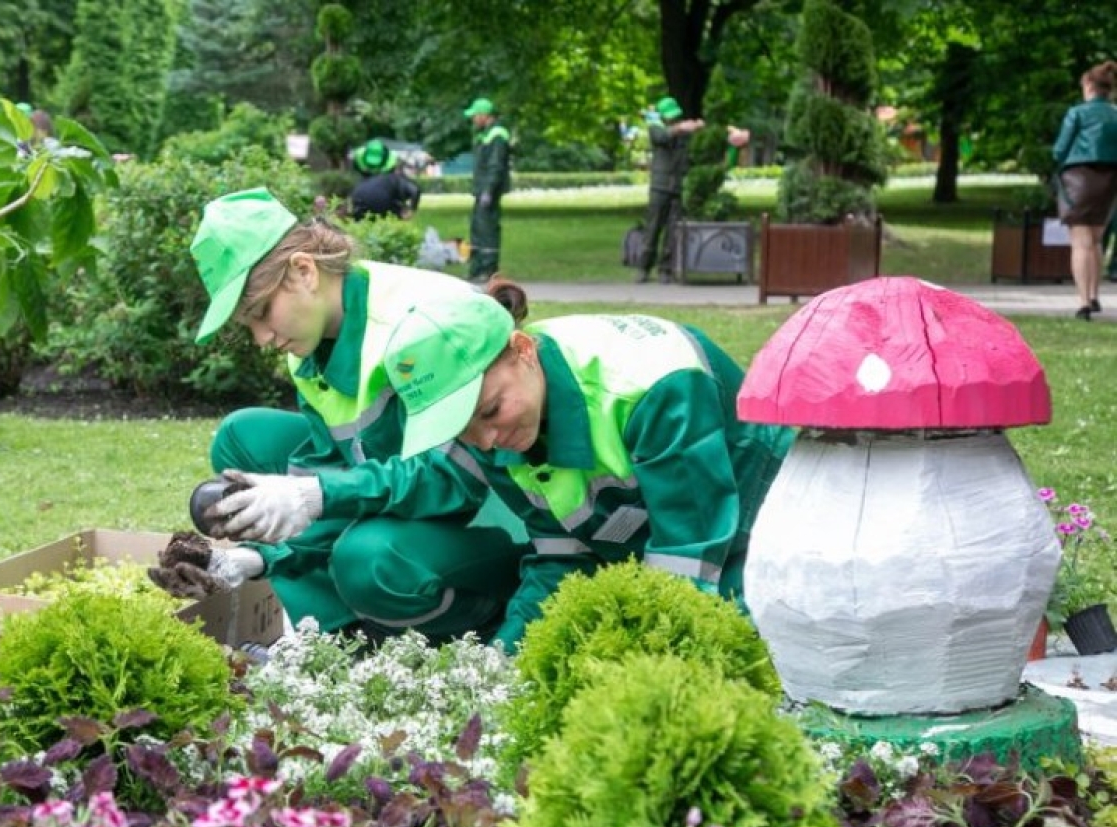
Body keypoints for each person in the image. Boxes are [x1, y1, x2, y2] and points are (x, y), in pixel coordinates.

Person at [187, 187, 530, 645]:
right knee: (242, 437)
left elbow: (449, 480)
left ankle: (479, 618)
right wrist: (264, 557)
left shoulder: (414, 327)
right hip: (407, 498)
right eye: (247, 326)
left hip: (494, 513)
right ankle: (333, 628)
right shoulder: (309, 346)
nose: (261, 338)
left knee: (368, 558)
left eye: (261, 314)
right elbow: (326, 471)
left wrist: (316, 494)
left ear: (304, 270)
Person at [380, 286, 792, 650]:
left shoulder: (653, 387)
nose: (485, 441)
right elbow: (562, 554)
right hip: (645, 541)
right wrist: (502, 661)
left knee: (765, 641)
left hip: (757, 523)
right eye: (461, 429)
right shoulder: (508, 421)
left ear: (524, 350)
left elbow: (686, 563)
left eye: (490, 410)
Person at [1052, 60, 1117, 320]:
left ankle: (1083, 302)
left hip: (1079, 179)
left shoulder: (1077, 113)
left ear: (1088, 85)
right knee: (1097, 239)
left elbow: (1060, 149)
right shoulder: (1116, 113)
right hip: (1110, 179)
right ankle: (1094, 295)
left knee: (1081, 241)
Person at [635, 97, 704, 284]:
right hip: (660, 185)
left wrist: (699, 127)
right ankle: (643, 267)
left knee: (673, 231)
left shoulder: (683, 131)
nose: (673, 120)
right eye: (670, 117)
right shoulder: (655, 127)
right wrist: (682, 128)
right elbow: (662, 137)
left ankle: (665, 269)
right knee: (653, 227)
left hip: (678, 185)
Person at [463, 98, 511, 283]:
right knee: (477, 229)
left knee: (488, 230)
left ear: (484, 115)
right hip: (481, 190)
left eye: (475, 115)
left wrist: (488, 191)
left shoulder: (497, 135)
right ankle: (476, 268)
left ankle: (489, 270)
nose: (473, 119)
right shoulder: (484, 134)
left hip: (488, 191)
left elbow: (495, 166)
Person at [348, 139, 422, 220]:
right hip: (386, 211)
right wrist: (411, 210)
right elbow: (415, 190)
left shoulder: (360, 181)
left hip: (359, 212)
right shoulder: (395, 178)